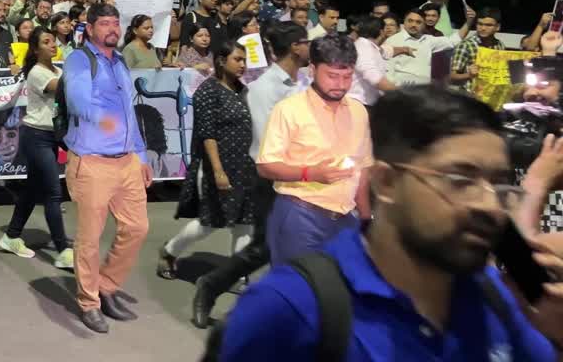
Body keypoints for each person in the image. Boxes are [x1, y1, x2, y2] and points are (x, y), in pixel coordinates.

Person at [218, 86, 561, 360]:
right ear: (387, 182)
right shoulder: (290, 308)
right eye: (460, 179)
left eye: (499, 184)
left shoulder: (490, 292)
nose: (489, 205)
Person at [191, 22, 308, 327]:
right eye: (305, 42)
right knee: (265, 248)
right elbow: (264, 141)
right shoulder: (264, 88)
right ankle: (215, 289)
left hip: (303, 178)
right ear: (295, 46)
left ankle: (277, 312)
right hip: (272, 179)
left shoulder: (302, 83)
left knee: (282, 248)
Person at [63, 3, 153, 334]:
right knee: (89, 238)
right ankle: (89, 302)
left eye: (116, 23)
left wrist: (141, 157)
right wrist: (104, 118)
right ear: (89, 29)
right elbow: (76, 99)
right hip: (92, 160)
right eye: (104, 23)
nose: (112, 28)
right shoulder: (79, 59)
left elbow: (130, 111)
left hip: (127, 160)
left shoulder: (120, 63)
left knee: (138, 228)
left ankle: (107, 285)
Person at [255, 34, 371, 267]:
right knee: (299, 293)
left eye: (347, 77)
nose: (340, 85)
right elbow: (265, 166)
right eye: (332, 76)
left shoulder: (359, 111)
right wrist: (311, 174)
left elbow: (364, 166)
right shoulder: (289, 109)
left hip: (346, 218)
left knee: (344, 295)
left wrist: (367, 217)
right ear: (312, 70)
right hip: (300, 215)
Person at [160, 41, 254, 279]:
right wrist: (218, 171)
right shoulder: (207, 91)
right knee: (210, 222)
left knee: (245, 222)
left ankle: (237, 275)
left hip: (244, 166)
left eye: (245, 60)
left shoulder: (242, 90)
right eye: (238, 59)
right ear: (222, 61)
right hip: (216, 166)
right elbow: (207, 134)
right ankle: (170, 252)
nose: (243, 65)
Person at [0, 26, 73, 269]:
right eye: (46, 42)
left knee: (32, 190)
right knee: (52, 192)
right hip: (36, 137)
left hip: (51, 137)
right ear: (35, 48)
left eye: (54, 41)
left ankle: (11, 236)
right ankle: (63, 250)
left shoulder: (57, 69)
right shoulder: (38, 73)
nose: (53, 45)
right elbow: (63, 88)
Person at [385, 7, 473, 87]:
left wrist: (469, 22)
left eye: (418, 22)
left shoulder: (428, 40)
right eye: (410, 21)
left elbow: (453, 40)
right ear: (404, 21)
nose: (413, 25)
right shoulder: (393, 41)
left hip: (423, 94)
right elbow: (388, 73)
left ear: (424, 24)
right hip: (401, 93)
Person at [450, 7, 506, 92]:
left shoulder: (499, 45)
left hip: (492, 96)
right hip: (471, 98)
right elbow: (452, 76)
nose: (483, 28)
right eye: (480, 24)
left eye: (488, 25)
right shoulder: (466, 45)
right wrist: (469, 75)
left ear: (497, 27)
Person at [348, 15, 396, 106]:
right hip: (359, 104)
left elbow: (386, 51)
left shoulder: (368, 46)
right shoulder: (364, 48)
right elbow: (373, 75)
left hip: (366, 104)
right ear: (381, 32)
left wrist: (405, 49)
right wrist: (401, 93)